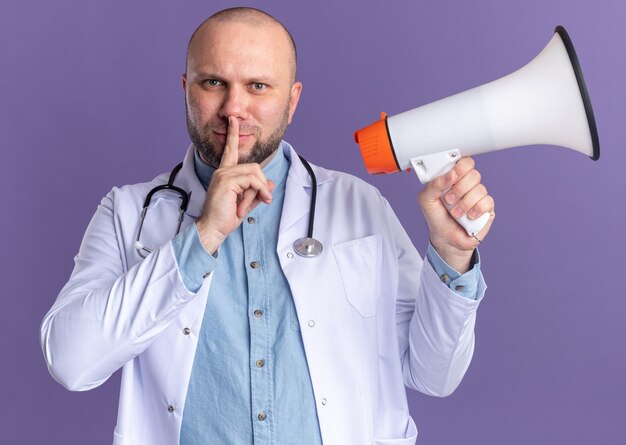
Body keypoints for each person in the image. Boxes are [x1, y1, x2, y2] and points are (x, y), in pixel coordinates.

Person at [40, 7, 495, 445]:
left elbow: (434, 375)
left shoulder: (359, 206)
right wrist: (201, 237)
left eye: (258, 86)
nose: (233, 109)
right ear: (185, 88)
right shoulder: (127, 213)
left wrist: (452, 256)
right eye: (213, 82)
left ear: (292, 100)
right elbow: (71, 361)